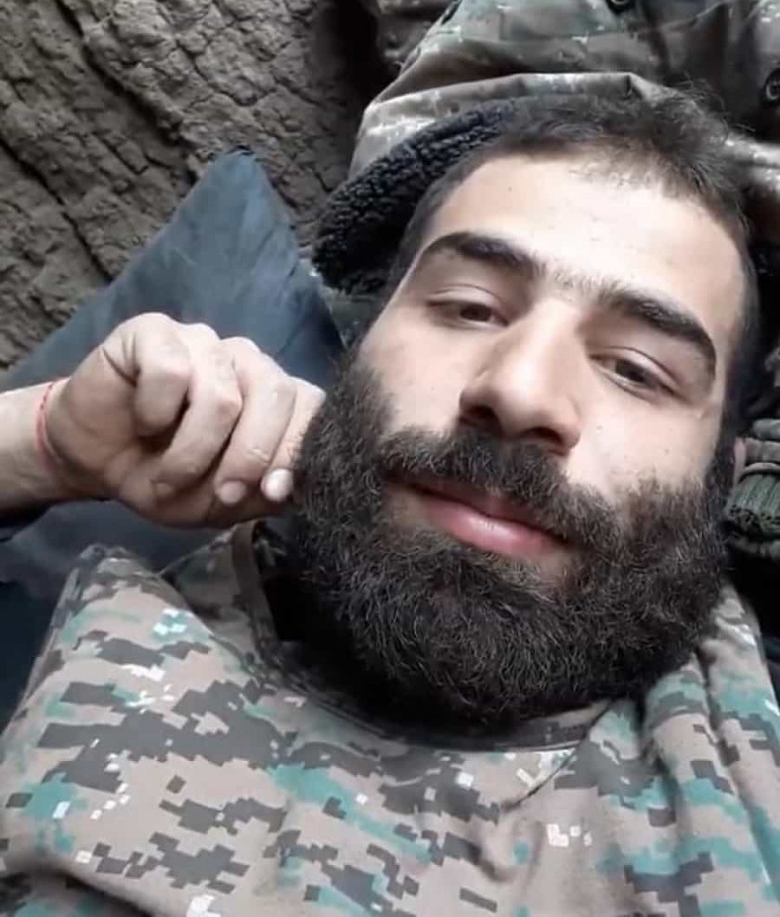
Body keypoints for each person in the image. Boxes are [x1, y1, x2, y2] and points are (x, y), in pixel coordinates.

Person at [0, 91, 778, 915]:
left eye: (634, 368)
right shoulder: (134, 600)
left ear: (723, 476)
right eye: (470, 308)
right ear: (358, 349)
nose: (519, 390)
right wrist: (42, 444)